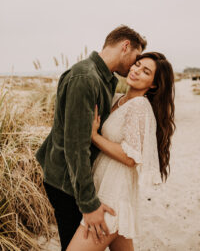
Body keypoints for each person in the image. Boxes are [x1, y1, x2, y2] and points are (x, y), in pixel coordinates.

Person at [35, 25, 147, 251]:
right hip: (67, 183)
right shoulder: (85, 77)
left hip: (80, 181)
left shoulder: (105, 80)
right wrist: (88, 204)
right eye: (136, 58)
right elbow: (76, 146)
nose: (135, 65)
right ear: (125, 46)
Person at [66, 52, 175, 251]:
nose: (136, 71)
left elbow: (130, 157)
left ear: (153, 85)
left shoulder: (139, 106)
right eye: (137, 65)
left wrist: (95, 137)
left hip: (114, 192)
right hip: (104, 184)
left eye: (145, 72)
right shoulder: (118, 98)